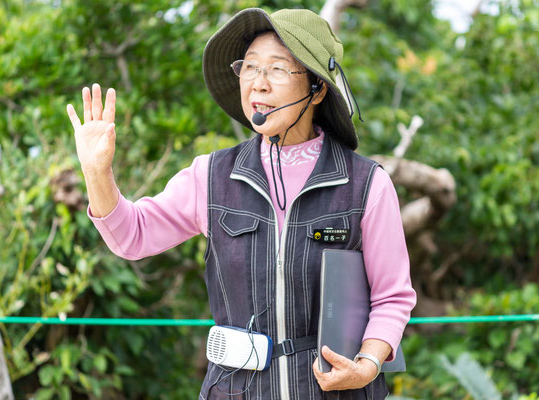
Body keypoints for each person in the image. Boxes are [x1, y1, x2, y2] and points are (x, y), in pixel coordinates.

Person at [66, 7, 416, 400]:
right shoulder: (211, 177)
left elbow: (393, 296)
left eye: (277, 69)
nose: (258, 84)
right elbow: (133, 237)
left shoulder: (367, 185)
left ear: (317, 89)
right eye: (249, 68)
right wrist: (97, 173)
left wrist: (367, 366)